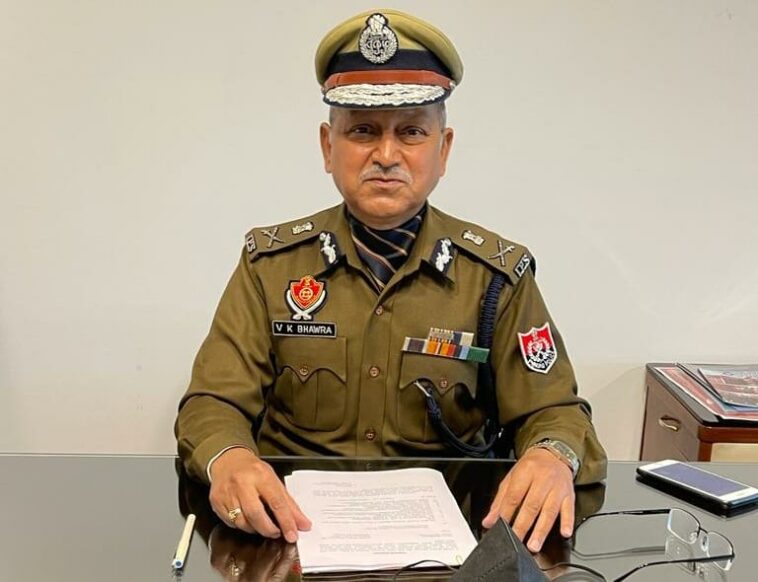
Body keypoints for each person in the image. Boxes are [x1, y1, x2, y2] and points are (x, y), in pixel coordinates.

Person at [175, 8, 607, 554]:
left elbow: (555, 410)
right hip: (291, 539)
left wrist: (551, 455)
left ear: (443, 149)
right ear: (328, 146)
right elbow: (212, 402)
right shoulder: (271, 266)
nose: (385, 155)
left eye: (411, 132)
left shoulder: (495, 277)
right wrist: (229, 458)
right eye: (362, 131)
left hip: (447, 547)